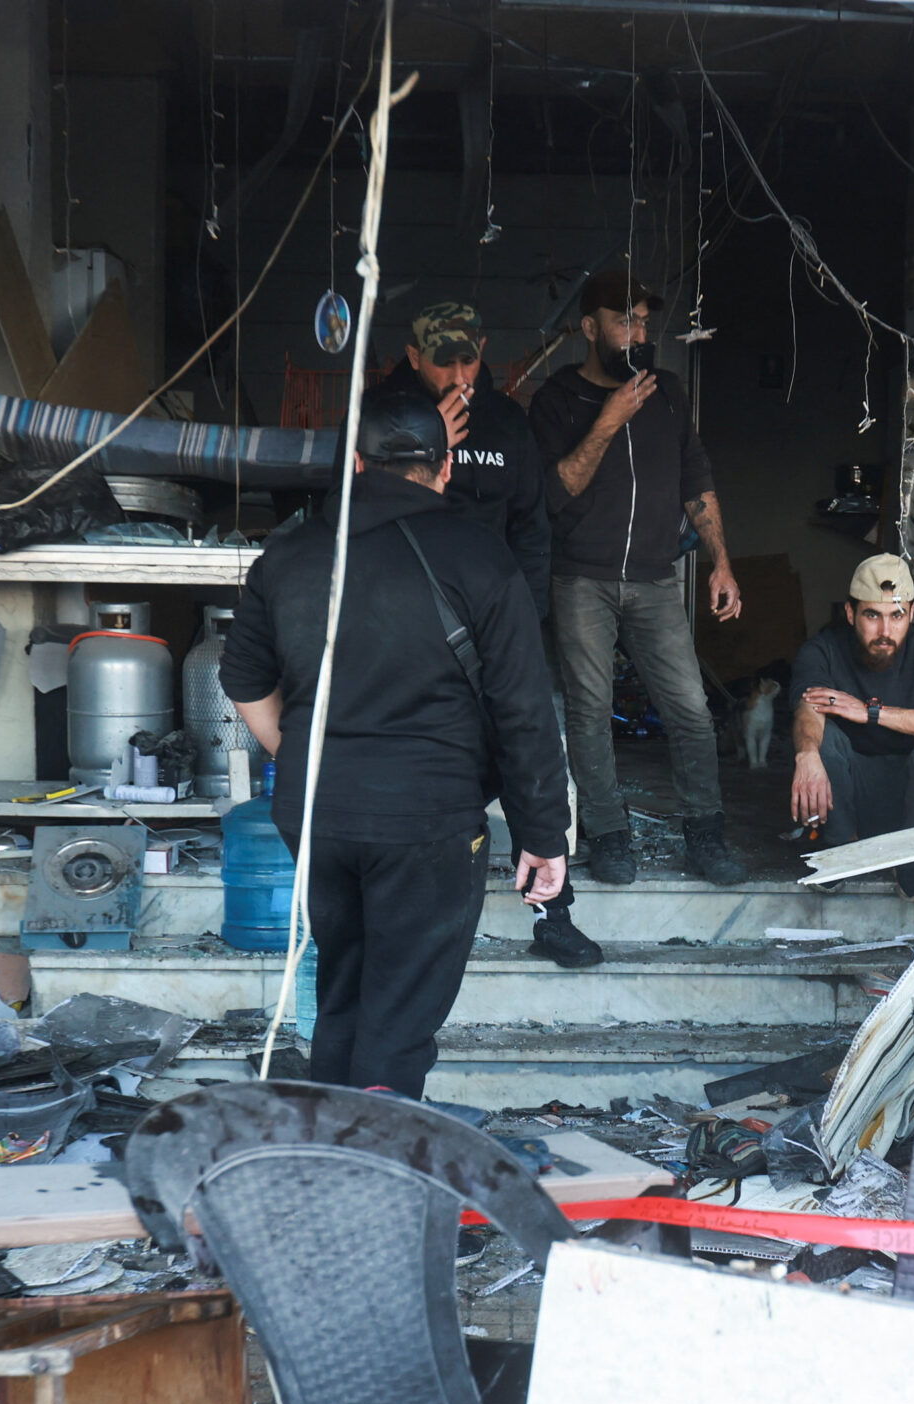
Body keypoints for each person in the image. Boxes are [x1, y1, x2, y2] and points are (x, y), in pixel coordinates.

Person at [216, 387, 569, 1099]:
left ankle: (334, 1163)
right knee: (399, 1020)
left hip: (317, 811)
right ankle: (377, 1189)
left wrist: (299, 760)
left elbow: (244, 681)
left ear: (354, 463)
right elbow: (525, 710)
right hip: (428, 820)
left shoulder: (289, 554)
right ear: (445, 468)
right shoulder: (482, 558)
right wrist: (544, 834)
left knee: (343, 988)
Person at [367, 300, 602, 969]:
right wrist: (424, 436)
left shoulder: (507, 421)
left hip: (494, 621)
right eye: (444, 359)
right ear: (414, 358)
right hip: (409, 625)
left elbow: (531, 524)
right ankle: (410, 913)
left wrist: (523, 618)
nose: (460, 372)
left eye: (469, 357)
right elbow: (351, 508)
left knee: (533, 747)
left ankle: (552, 911)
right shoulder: (387, 418)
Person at [528, 268, 747, 888]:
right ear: (589, 327)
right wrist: (609, 418)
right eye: (625, 320)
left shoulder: (670, 393)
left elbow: (696, 482)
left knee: (692, 711)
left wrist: (721, 561)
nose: (639, 331)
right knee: (591, 715)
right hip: (581, 580)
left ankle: (705, 835)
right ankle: (608, 836)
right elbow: (557, 491)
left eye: (646, 321)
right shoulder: (557, 399)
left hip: (656, 580)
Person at [789, 554, 914, 899]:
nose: (885, 631)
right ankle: (840, 849)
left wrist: (871, 713)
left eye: (897, 616)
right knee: (818, 738)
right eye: (872, 616)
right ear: (850, 614)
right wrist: (806, 755)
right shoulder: (825, 648)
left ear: (913, 614)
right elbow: (808, 706)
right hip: (850, 795)